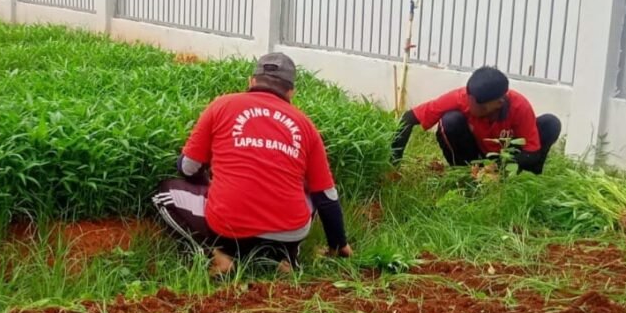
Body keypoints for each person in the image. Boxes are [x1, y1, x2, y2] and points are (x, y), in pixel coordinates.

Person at [152, 53, 352, 276]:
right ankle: (283, 258)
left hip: (229, 228)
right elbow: (327, 196)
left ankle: (216, 255)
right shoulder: (306, 125)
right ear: (290, 92)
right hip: (289, 232)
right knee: (311, 188)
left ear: (251, 81)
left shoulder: (222, 105)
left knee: (163, 193)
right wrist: (339, 245)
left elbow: (188, 168)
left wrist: (208, 182)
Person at [391, 66, 562, 175]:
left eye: (480, 108)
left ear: (499, 103)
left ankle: (526, 179)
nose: (470, 108)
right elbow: (408, 118)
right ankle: (465, 176)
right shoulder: (460, 98)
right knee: (450, 121)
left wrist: (499, 168)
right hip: (475, 156)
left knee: (550, 123)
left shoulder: (520, 107)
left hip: (507, 157)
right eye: (469, 101)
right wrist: (392, 165)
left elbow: (531, 151)